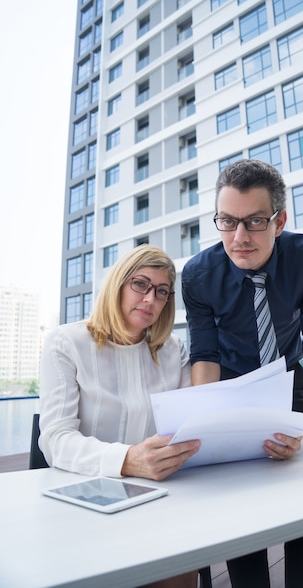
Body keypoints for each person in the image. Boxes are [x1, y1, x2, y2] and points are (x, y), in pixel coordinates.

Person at [182, 159, 303, 588]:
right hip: (231, 386)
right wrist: (206, 425)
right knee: (241, 505)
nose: (239, 237)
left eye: (254, 222)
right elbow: (204, 353)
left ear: (279, 219)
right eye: (227, 221)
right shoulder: (197, 275)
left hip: (289, 379)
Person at [39, 244, 201, 588]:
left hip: (159, 498)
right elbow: (56, 440)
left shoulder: (175, 350)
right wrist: (128, 460)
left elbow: (191, 427)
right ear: (118, 284)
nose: (150, 300)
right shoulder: (65, 343)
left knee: (181, 565)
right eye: (140, 284)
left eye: (161, 292)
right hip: (82, 498)